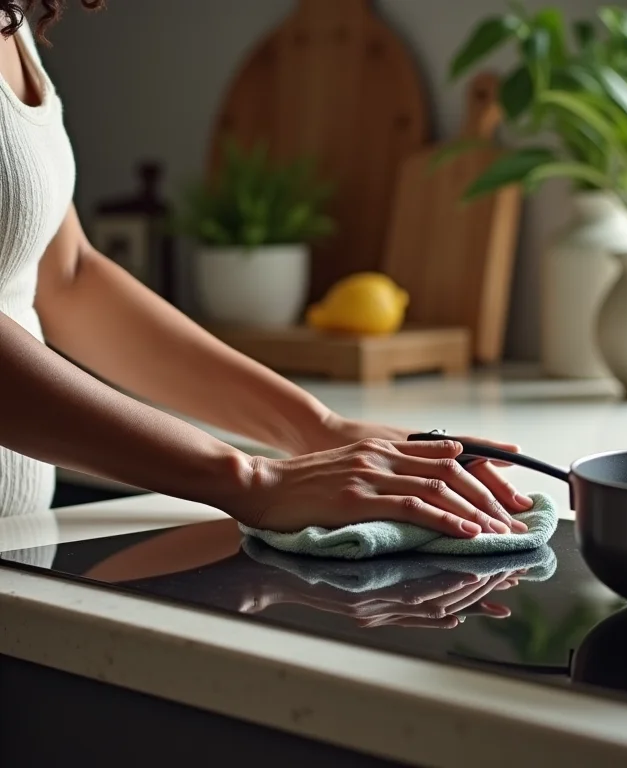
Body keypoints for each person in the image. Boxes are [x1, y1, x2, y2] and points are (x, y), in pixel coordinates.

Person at [0, 0, 532, 538]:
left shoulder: (13, 24)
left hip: (20, 532)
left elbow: (67, 276)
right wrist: (252, 479)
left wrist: (318, 428)